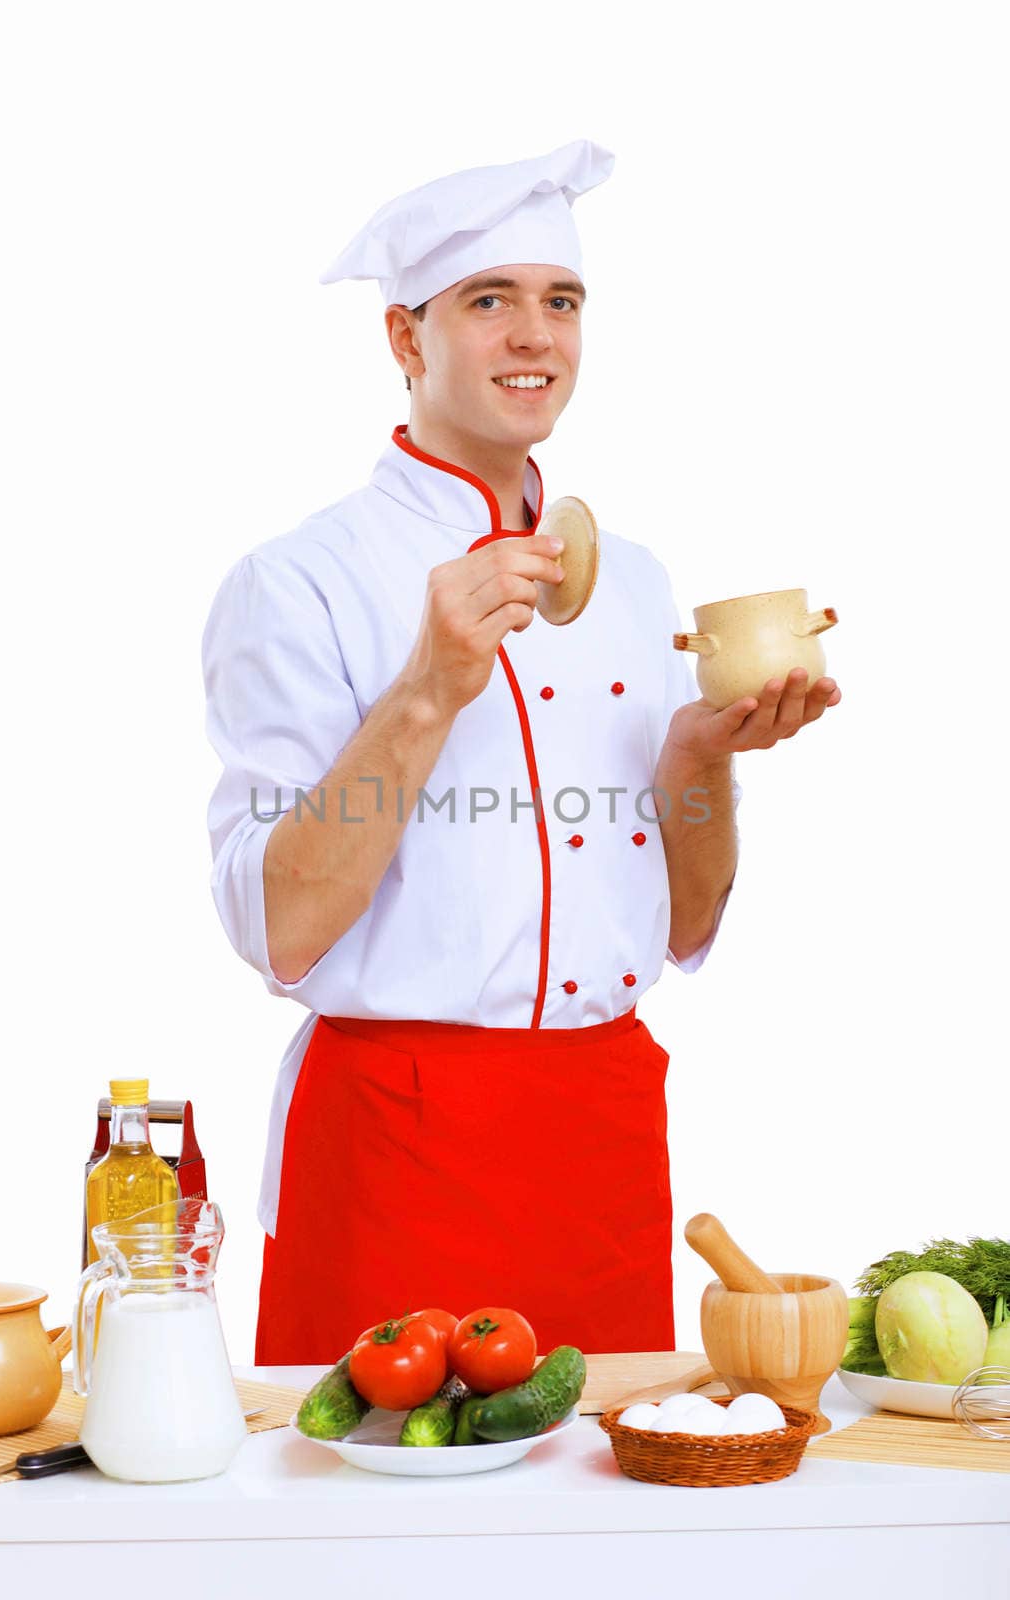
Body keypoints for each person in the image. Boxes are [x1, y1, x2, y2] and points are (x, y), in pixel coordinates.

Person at [201, 140, 841, 1364]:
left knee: (599, 1528)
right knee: (374, 1537)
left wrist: (702, 760)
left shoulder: (636, 580)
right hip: (398, 1143)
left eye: (560, 301)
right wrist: (431, 684)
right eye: (487, 301)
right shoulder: (297, 583)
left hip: (599, 1135)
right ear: (404, 338)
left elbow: (678, 924)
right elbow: (277, 928)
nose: (532, 337)